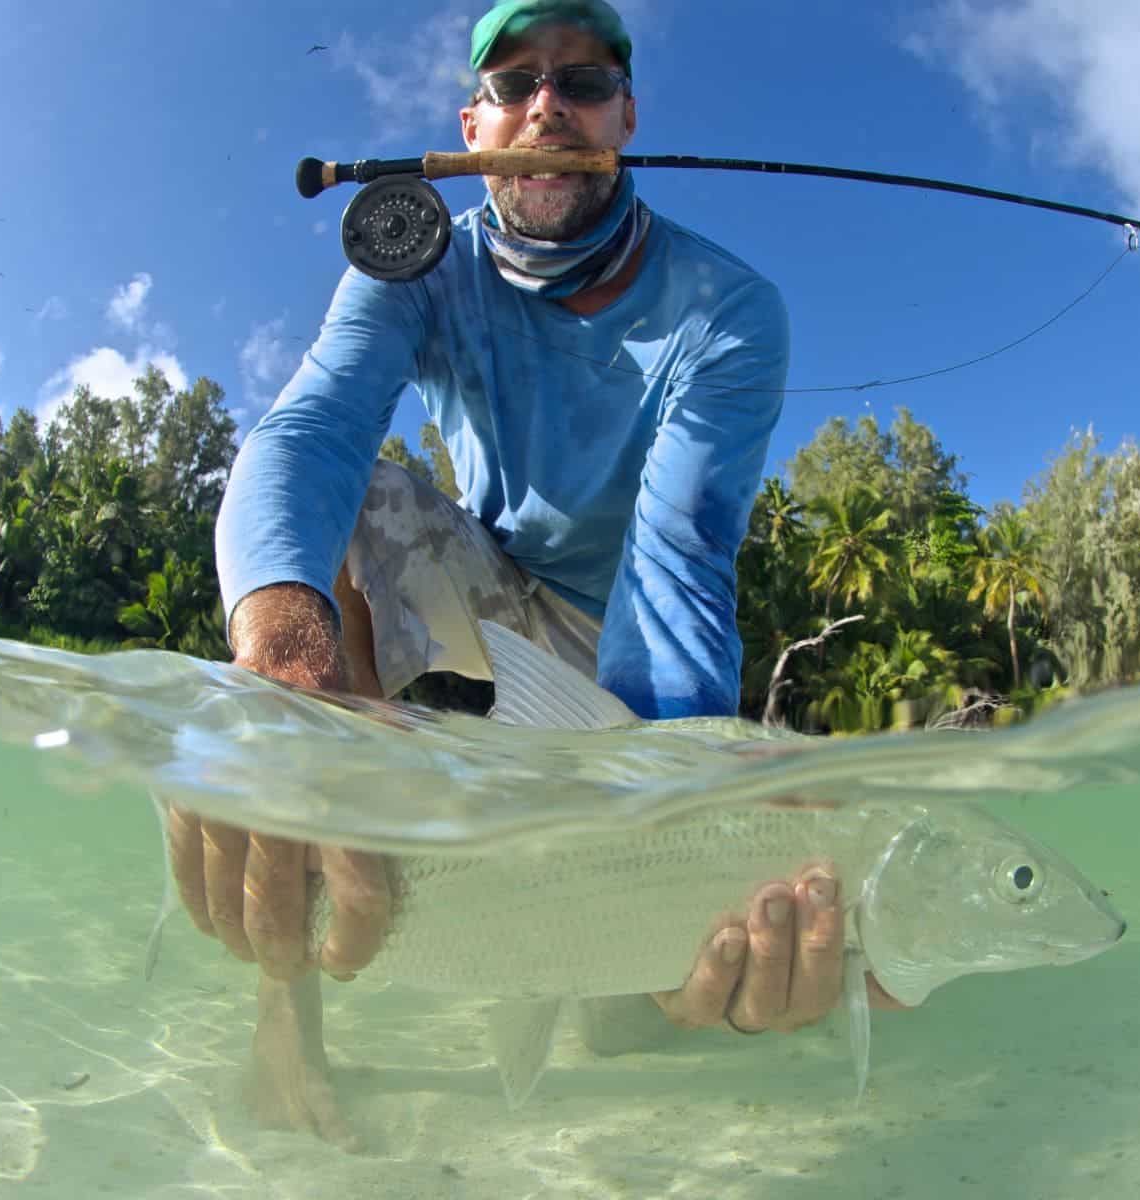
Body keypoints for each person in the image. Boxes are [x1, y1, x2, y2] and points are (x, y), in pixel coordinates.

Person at [170, 0, 899, 1146]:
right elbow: (310, 431)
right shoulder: (415, 265)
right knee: (357, 500)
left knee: (635, 1015)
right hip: (489, 590)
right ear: (472, 123)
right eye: (513, 84)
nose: (547, 103)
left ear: (627, 115)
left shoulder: (731, 309)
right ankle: (288, 998)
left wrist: (673, 818)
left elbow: (681, 554)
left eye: (583, 80)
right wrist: (282, 666)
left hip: (636, 651)